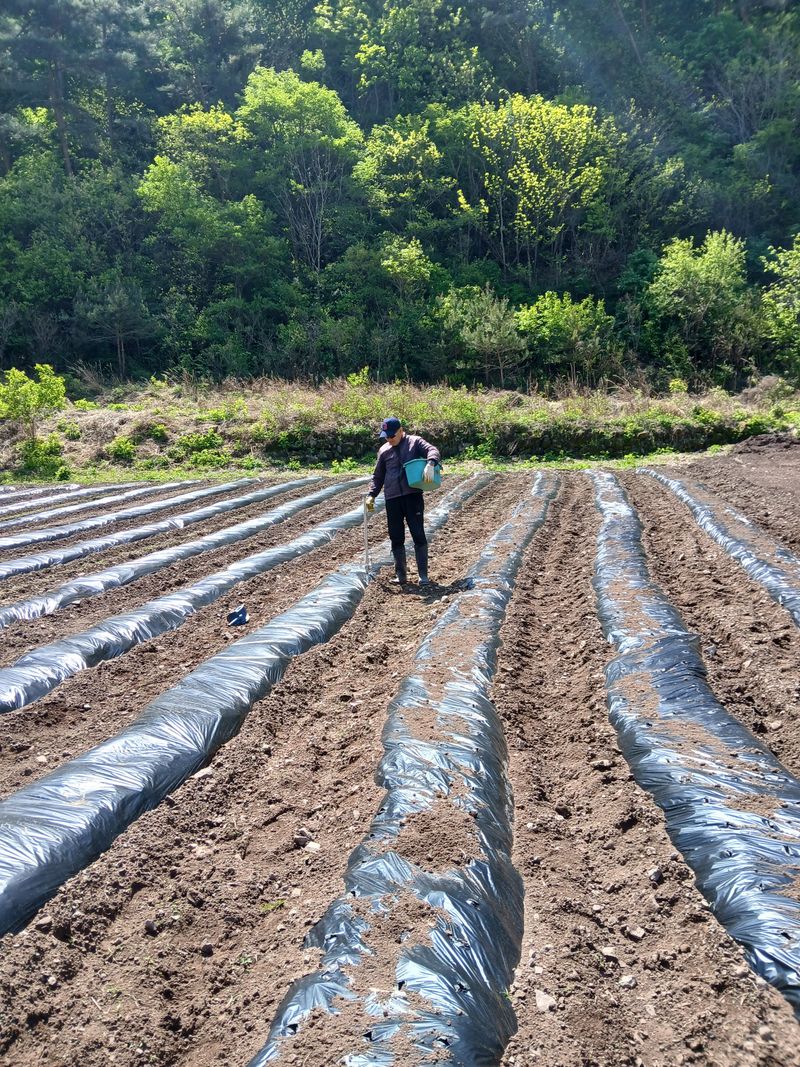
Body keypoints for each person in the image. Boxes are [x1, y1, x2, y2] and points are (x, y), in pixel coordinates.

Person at [365, 417, 441, 585]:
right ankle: (401, 575)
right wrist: (372, 494)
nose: (389, 439)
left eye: (392, 435)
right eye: (386, 436)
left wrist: (430, 463)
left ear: (401, 431)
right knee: (396, 537)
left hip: (412, 496)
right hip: (392, 499)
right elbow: (378, 476)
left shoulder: (414, 442)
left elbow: (432, 450)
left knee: (418, 534)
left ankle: (423, 576)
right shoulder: (384, 450)